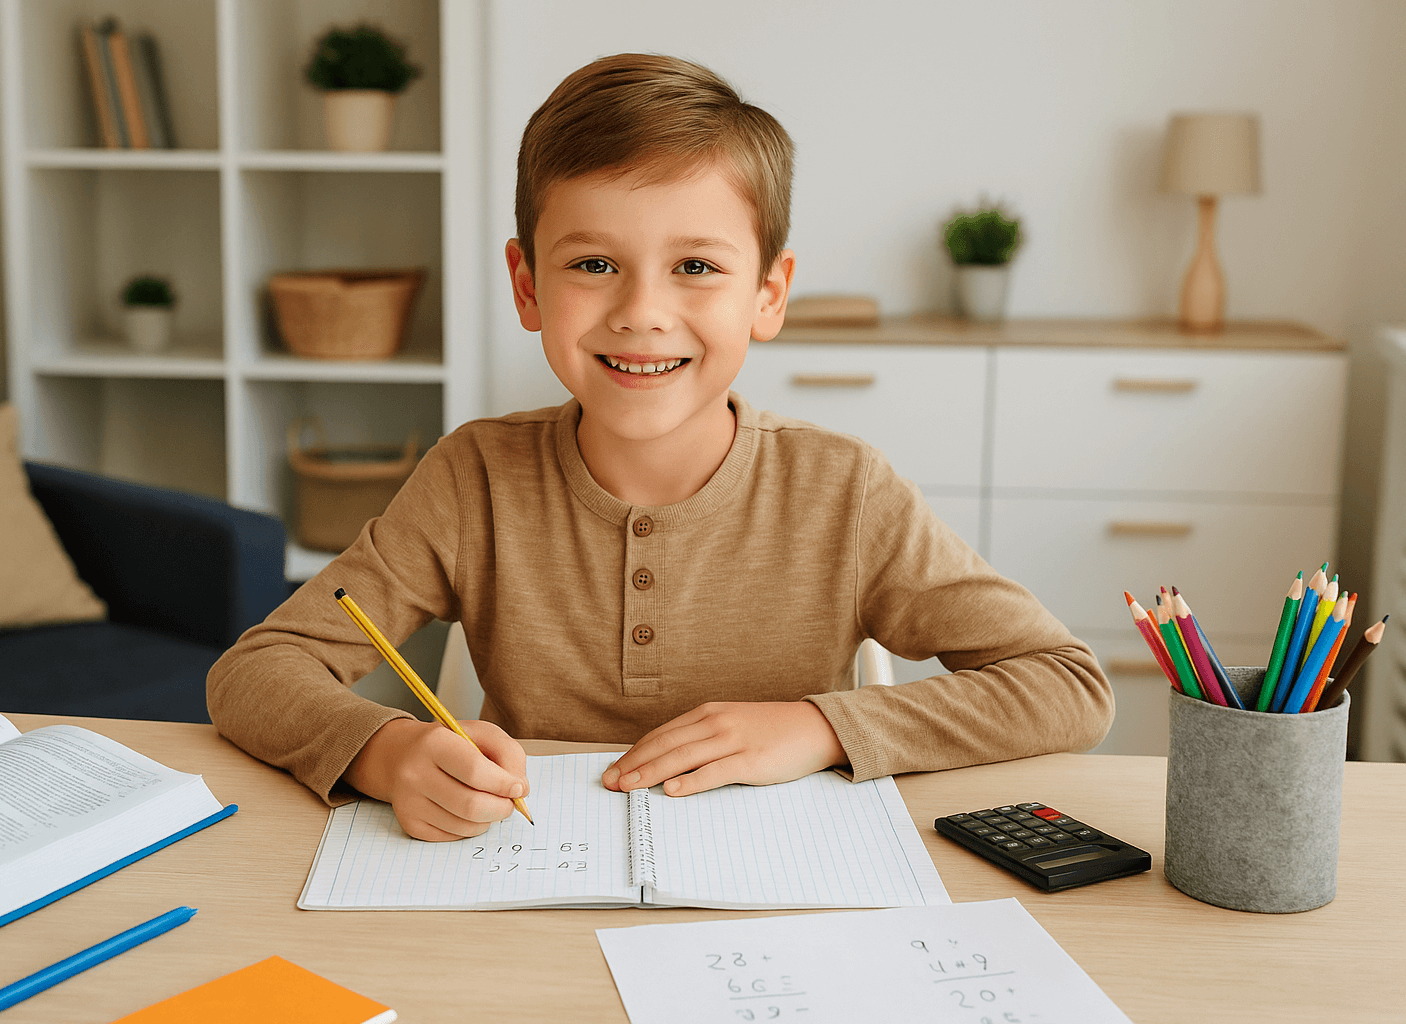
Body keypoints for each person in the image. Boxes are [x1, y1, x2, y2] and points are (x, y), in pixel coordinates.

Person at [207, 54, 1112, 842]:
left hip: (773, 899)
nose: (642, 310)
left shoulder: (844, 490)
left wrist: (821, 728)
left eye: (697, 266)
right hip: (525, 883)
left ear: (768, 291)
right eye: (593, 263)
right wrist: (384, 749)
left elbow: (1067, 685)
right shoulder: (473, 478)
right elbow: (255, 672)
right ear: (526, 285)